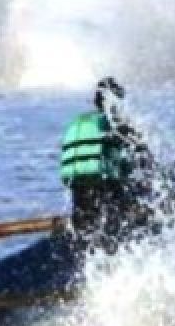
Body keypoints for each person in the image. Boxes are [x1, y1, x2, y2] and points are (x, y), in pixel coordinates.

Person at [59, 77, 156, 253]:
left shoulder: (79, 122)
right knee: (126, 218)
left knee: (87, 231)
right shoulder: (117, 124)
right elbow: (144, 160)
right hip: (105, 186)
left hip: (78, 188)